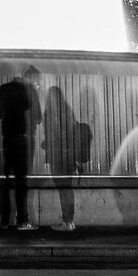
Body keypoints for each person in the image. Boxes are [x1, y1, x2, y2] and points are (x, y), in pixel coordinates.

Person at [0, 65, 42, 231]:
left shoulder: (2, 89)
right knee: (21, 181)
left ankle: (5, 220)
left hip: (6, 140)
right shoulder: (24, 89)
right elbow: (31, 110)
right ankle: (22, 220)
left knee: (6, 181)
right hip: (22, 139)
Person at [41, 75, 87, 234]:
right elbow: (66, 134)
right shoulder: (67, 111)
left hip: (59, 157)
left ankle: (67, 221)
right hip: (67, 156)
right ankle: (70, 221)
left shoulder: (53, 113)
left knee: (63, 189)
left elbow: (57, 135)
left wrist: (49, 144)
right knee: (67, 189)